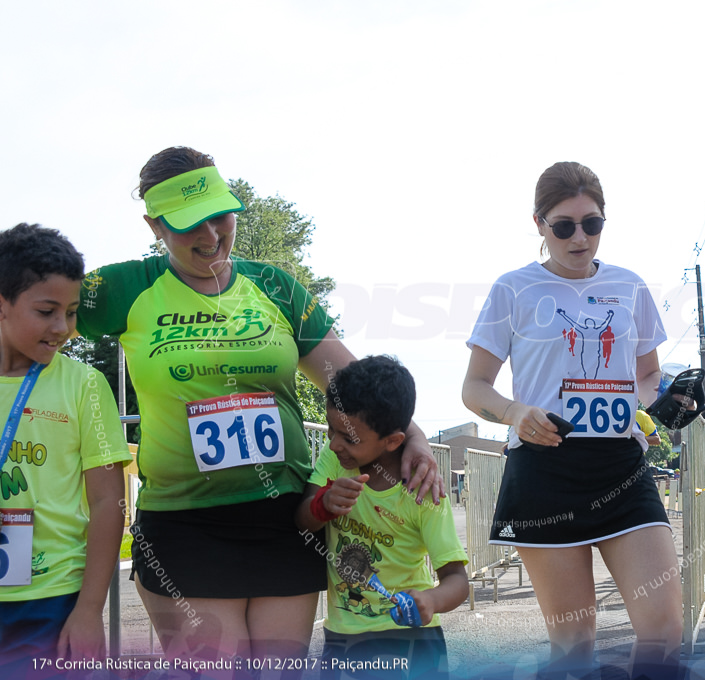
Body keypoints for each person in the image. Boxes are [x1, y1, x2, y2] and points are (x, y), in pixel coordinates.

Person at [75, 147, 442, 670]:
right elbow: (26, 308)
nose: (210, 236)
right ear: (154, 225)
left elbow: (349, 383)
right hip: (185, 523)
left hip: (285, 518)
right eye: (187, 225)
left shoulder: (276, 287)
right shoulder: (123, 287)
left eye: (220, 217)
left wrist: (415, 436)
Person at [462, 162, 682, 678]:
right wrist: (516, 412)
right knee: (575, 642)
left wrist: (667, 399)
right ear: (538, 223)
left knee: (664, 629)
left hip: (622, 466)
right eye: (564, 226)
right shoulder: (513, 289)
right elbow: (473, 388)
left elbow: (647, 376)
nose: (579, 237)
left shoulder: (630, 287)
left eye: (592, 223)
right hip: (546, 469)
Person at [0, 224, 132, 676]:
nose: (63, 328)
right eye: (46, 311)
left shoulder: (84, 385)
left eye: (72, 312)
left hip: (52, 601)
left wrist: (90, 608)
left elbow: (107, 502)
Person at [296, 356, 468, 680]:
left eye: (349, 439)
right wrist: (324, 504)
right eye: (331, 429)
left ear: (392, 441)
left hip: (411, 640)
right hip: (342, 637)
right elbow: (302, 517)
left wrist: (430, 600)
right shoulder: (335, 463)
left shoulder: (423, 491)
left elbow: (458, 582)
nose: (334, 444)